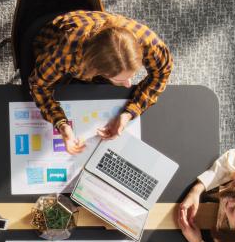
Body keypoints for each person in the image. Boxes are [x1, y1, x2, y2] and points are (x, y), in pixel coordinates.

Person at [28, 10, 173, 154]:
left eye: (131, 75)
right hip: (51, 39)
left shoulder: (149, 43)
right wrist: (62, 125)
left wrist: (129, 113)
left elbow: (162, 72)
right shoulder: (68, 54)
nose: (129, 84)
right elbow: (38, 86)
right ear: (96, 70)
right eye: (120, 79)